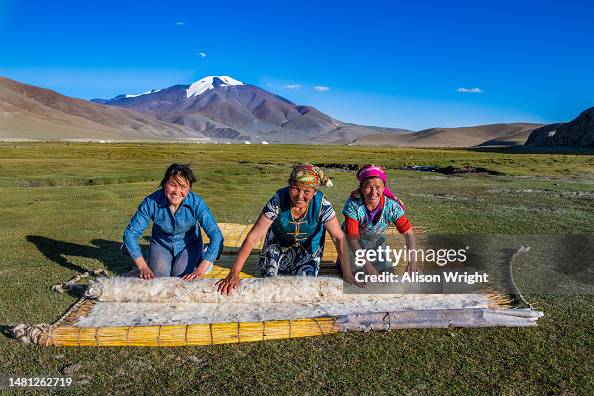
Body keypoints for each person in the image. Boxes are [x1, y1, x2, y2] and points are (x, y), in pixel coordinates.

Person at [216, 163, 359, 295]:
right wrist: (234, 272)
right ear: (289, 185)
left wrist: (347, 274)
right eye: (295, 189)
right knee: (269, 279)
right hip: (278, 245)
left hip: (308, 247)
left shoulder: (322, 204)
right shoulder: (277, 200)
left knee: (304, 285)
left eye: (306, 191)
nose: (300, 196)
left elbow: (338, 237)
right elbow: (253, 237)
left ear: (315, 192)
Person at [122, 163, 224, 279]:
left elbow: (216, 235)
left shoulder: (196, 202)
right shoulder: (151, 202)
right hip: (161, 244)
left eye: (183, 187)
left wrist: (200, 270)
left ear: (189, 188)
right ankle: (146, 256)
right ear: (164, 184)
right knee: (159, 278)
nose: (177, 191)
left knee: (181, 277)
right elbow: (130, 234)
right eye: (172, 185)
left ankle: (205, 259)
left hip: (189, 245)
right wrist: (142, 266)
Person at [342, 164, 417, 275]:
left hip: (376, 247)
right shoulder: (353, 206)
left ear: (383, 188)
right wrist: (369, 268)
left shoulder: (391, 207)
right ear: (362, 188)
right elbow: (353, 240)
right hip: (352, 249)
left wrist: (412, 263)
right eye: (368, 187)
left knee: (389, 277)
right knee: (360, 278)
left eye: (378, 187)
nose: (373, 193)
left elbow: (408, 233)